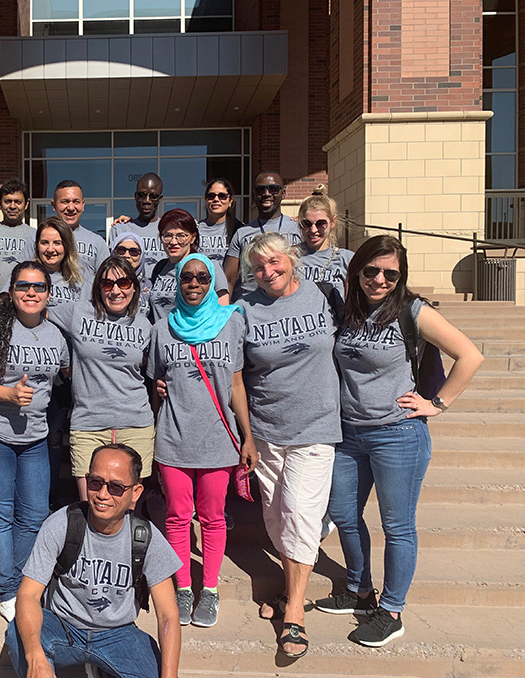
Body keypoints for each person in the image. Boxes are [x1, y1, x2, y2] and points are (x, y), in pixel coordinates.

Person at [315, 235, 484, 647]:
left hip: (398, 434)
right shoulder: (348, 309)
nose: (379, 280)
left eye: (390, 274)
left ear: (400, 277)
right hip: (350, 433)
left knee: (398, 526)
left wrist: (437, 403)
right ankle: (359, 590)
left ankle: (391, 611)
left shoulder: (413, 311)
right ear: (357, 270)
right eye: (371, 270)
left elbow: (470, 355)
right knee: (344, 514)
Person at [236, 232, 342, 658]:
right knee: (278, 517)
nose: (268, 272)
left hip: (316, 425)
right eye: (259, 267)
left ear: (292, 258)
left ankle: (294, 611)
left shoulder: (324, 295)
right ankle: (288, 588)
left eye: (275, 261)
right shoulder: (245, 309)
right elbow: (235, 373)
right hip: (267, 430)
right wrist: (246, 434)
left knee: (297, 513)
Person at [7, 444, 183, 678]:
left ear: (136, 492)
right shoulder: (62, 524)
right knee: (19, 637)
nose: (102, 494)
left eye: (116, 487)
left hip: (118, 634)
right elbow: (28, 594)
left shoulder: (147, 537)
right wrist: (35, 655)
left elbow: (168, 616)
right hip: (64, 626)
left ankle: (102, 667)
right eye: (95, 482)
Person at [148, 253, 256, 628]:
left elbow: (237, 384)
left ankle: (209, 589)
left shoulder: (231, 323)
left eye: (202, 278)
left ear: (212, 283)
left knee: (212, 518)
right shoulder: (162, 329)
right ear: (177, 282)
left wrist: (247, 437)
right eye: (187, 278)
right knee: (177, 517)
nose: (194, 284)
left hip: (218, 439)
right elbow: (156, 381)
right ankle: (182, 586)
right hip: (174, 438)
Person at [0, 262, 70, 623]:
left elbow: (69, 372)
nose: (31, 293)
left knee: (35, 514)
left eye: (39, 287)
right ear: (11, 291)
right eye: (23, 286)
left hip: (35, 436)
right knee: (0, 512)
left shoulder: (56, 335)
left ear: (49, 294)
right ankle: (6, 589)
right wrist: (8, 394)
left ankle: (21, 580)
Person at [47, 255, 154, 501]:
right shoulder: (78, 313)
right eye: (107, 284)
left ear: (134, 288)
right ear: (98, 288)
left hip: (135, 425)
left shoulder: (145, 326)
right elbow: (34, 310)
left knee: (126, 508)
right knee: (91, 505)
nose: (116, 291)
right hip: (88, 425)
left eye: (123, 283)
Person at [224, 171, 301, 300]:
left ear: (283, 193)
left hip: (290, 301)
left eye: (273, 188)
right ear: (254, 195)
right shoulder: (242, 233)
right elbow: (228, 279)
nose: (266, 194)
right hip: (251, 303)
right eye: (260, 190)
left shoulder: (299, 229)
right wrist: (223, 309)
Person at [148, 209, 229, 323]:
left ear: (193, 238)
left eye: (181, 236)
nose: (173, 242)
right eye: (168, 235)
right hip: (162, 332)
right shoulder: (160, 268)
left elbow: (223, 310)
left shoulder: (209, 266)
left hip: (196, 333)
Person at [26, 180, 109, 281]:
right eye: (65, 202)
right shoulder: (36, 239)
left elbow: (106, 279)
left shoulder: (97, 242)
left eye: (76, 202)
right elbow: (20, 276)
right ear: (53, 205)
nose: (71, 208)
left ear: (83, 205)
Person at [296, 194, 354, 295]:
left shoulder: (346, 259)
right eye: (307, 223)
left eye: (321, 224)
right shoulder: (290, 256)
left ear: (332, 222)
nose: (313, 230)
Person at [108, 173, 166, 267]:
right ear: (135, 196)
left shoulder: (168, 230)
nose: (147, 201)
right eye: (142, 195)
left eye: (153, 196)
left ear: (160, 199)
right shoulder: (120, 230)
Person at [34, 216, 86, 307]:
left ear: (67, 246)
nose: (50, 249)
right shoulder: (26, 275)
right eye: (44, 243)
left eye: (57, 243)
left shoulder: (80, 278)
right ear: (37, 246)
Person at [197, 177, 243, 263]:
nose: (216, 199)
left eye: (222, 196)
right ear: (206, 200)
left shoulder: (240, 230)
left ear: (230, 201)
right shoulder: (196, 229)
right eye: (211, 196)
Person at [111, 232, 152, 318]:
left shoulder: (148, 286)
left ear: (141, 256)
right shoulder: (104, 283)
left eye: (133, 251)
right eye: (121, 250)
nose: (126, 255)